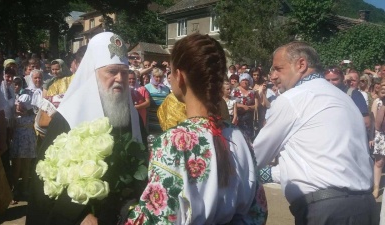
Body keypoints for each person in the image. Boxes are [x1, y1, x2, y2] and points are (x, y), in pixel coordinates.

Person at [126, 33, 267, 225]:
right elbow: (257, 212)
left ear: (179, 76)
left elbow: (159, 218)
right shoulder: (240, 138)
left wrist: (125, 210)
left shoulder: (173, 142)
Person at [26, 32, 148, 225]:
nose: (119, 78)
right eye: (112, 71)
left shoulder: (132, 118)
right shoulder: (68, 117)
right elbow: (46, 179)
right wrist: (79, 214)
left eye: (124, 72)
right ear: (93, 73)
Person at [253, 41, 376, 225]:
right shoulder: (344, 99)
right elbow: (321, 163)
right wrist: (268, 174)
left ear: (301, 65)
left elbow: (255, 158)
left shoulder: (292, 99)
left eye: (278, 68)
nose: (274, 76)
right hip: (365, 207)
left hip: (325, 211)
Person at [231, 73, 259, 143]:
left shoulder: (252, 92)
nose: (245, 82)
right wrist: (242, 106)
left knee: (248, 139)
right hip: (237, 117)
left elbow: (256, 106)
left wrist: (248, 108)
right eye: (243, 80)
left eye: (247, 80)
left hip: (248, 119)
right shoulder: (235, 90)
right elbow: (230, 102)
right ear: (240, 81)